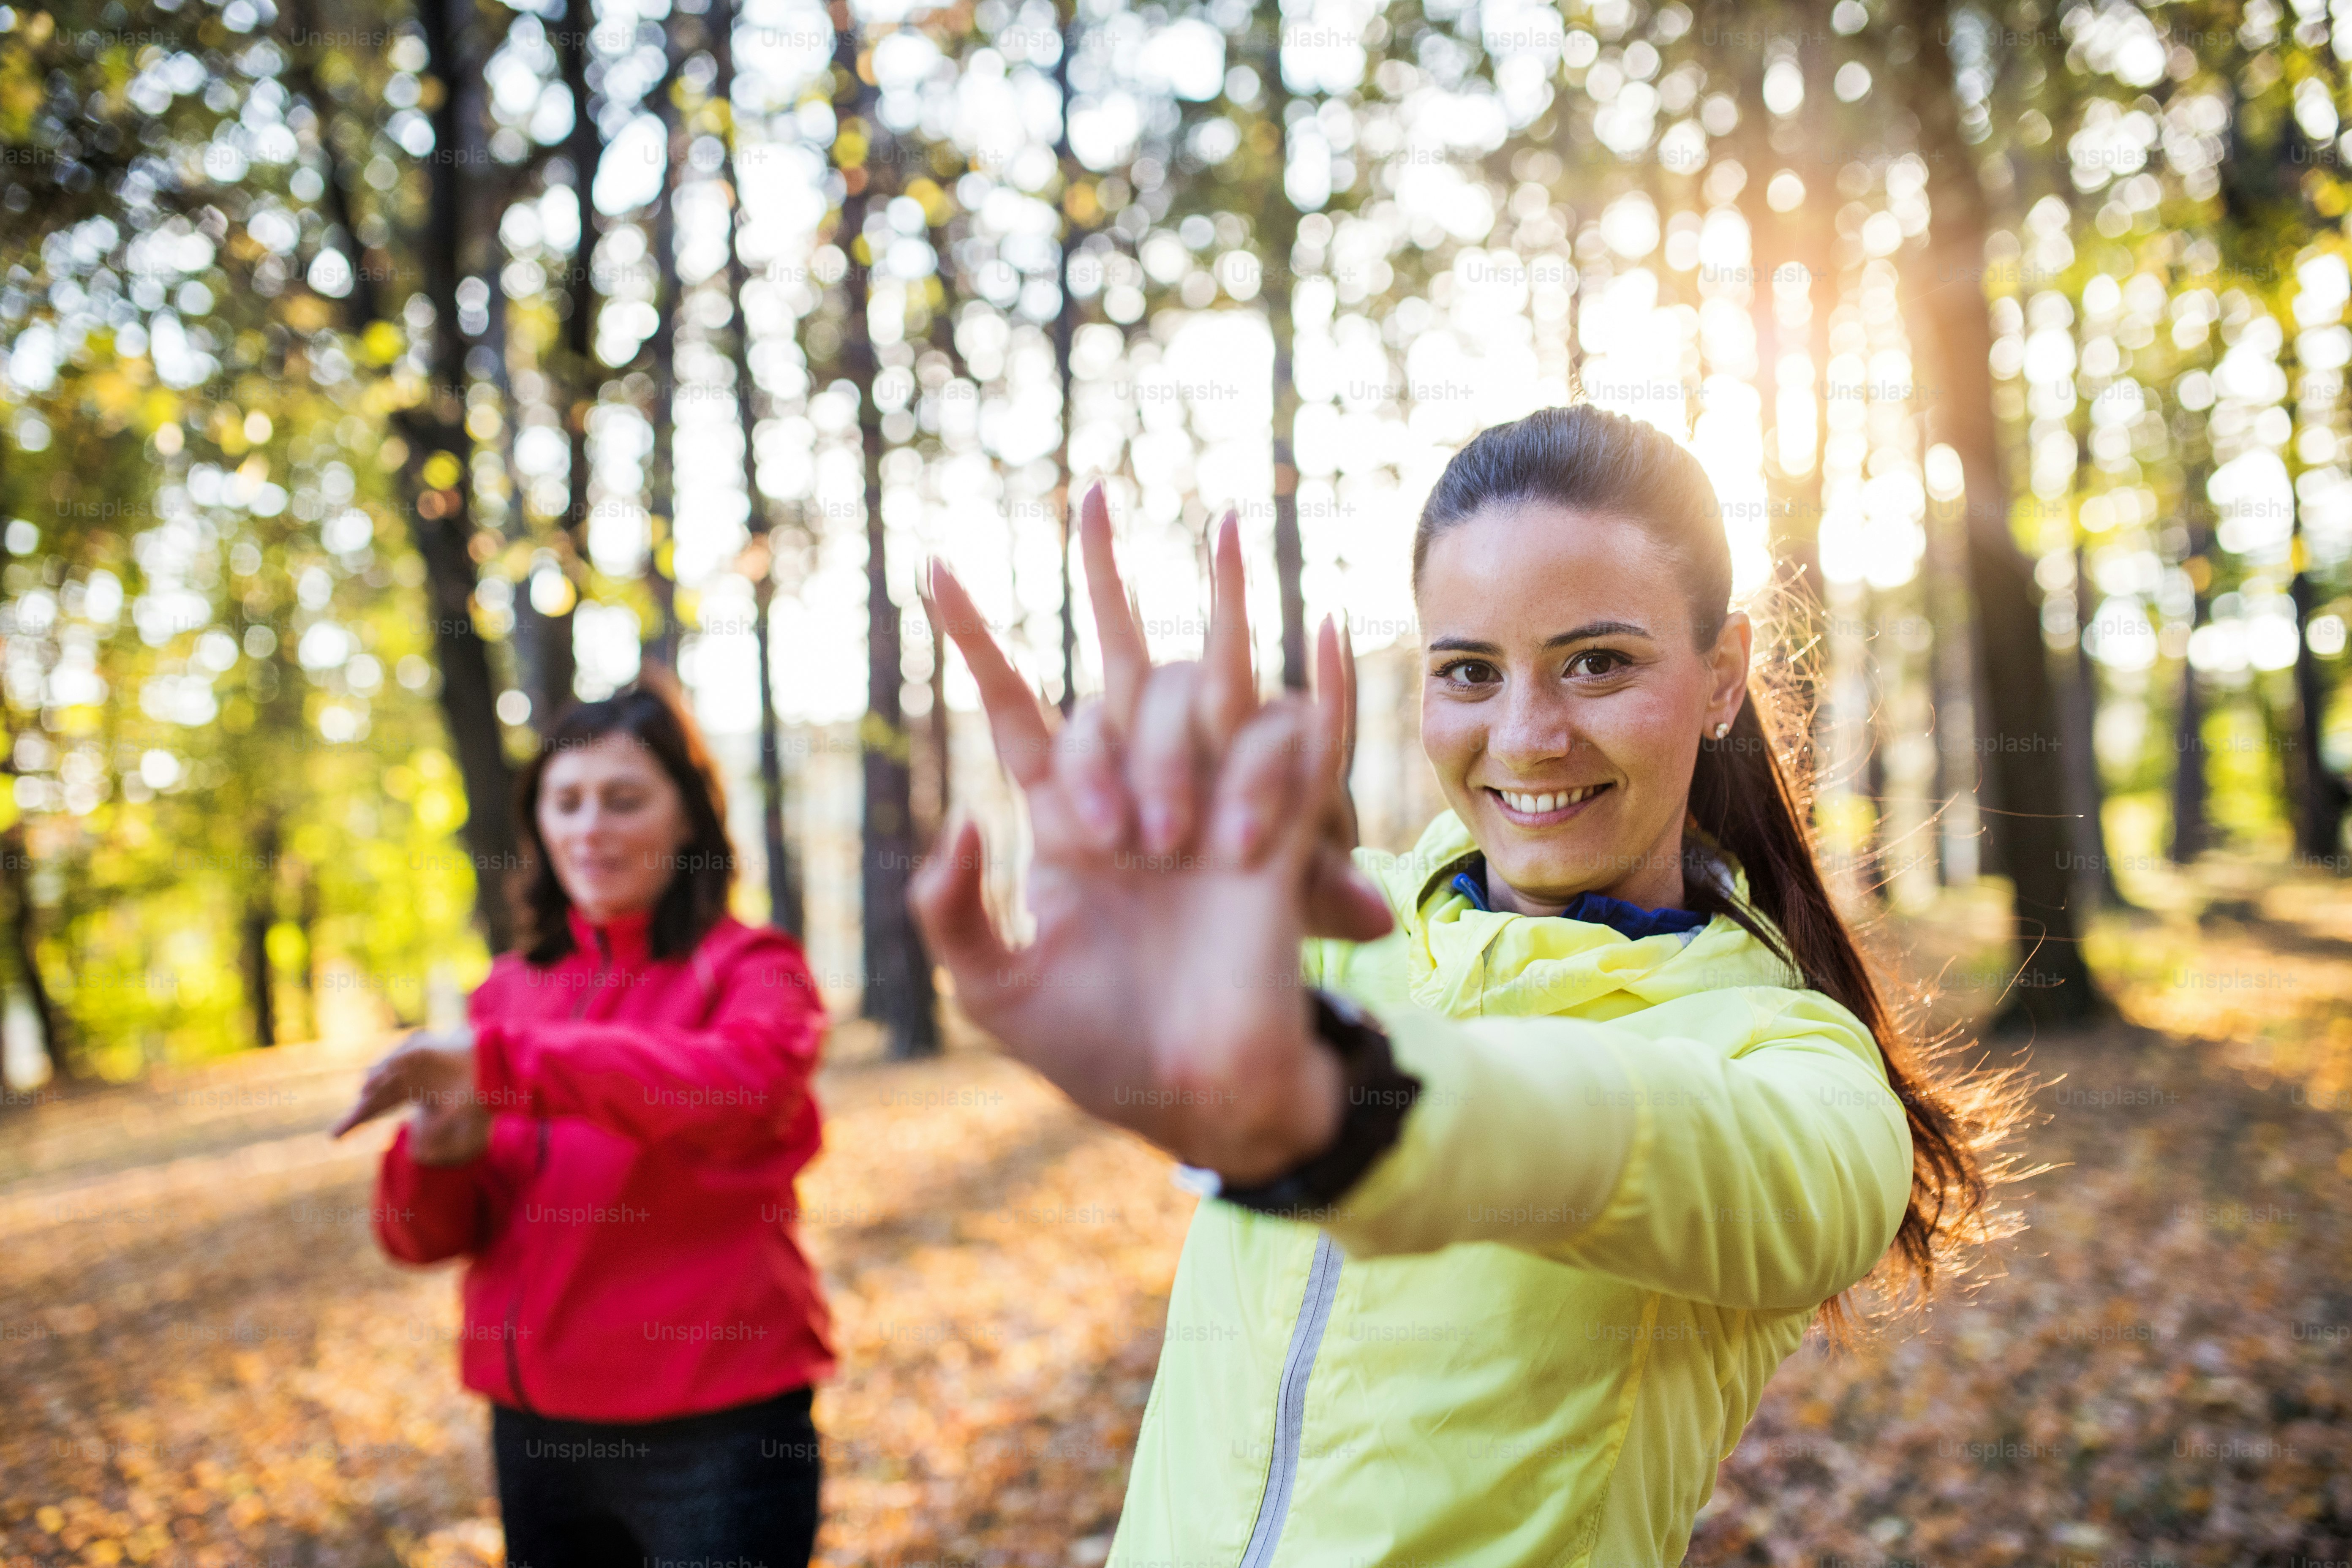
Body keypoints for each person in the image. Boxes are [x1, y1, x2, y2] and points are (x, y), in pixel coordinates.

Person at [912, 405, 2008, 1567]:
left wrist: (1345, 1106)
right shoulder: (1322, 932)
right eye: (1471, 672)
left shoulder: (1790, 1057)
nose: (1529, 736)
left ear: (1722, 676)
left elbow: (1682, 1154)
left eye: (1598, 663)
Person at [332, 681, 833, 1568]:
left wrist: (507, 1063)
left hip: (716, 1431)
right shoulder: (508, 991)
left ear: (689, 819)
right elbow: (421, 1240)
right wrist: (433, 1160)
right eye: (566, 801)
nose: (589, 826)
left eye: (625, 798)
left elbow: (742, 1090)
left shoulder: (754, 967)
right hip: (540, 1434)